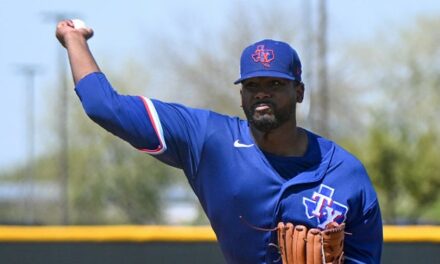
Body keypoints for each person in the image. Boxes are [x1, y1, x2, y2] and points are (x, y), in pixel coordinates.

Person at [56, 19, 383, 264]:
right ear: (241, 95)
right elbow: (104, 107)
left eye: (275, 83)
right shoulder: (208, 140)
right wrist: (74, 37)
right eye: (252, 84)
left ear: (298, 92)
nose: (263, 92)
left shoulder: (346, 174)